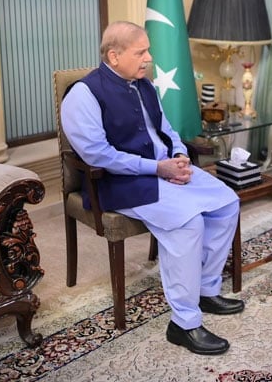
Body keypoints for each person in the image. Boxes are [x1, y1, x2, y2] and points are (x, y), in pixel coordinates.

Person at [61, 21, 243, 356]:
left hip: (163, 168)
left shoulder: (143, 84)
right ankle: (184, 324)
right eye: (140, 52)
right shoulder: (83, 95)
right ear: (114, 56)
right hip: (119, 182)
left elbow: (166, 128)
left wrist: (178, 155)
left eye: (148, 50)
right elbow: (97, 155)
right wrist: (157, 168)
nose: (149, 58)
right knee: (189, 222)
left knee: (227, 202)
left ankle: (204, 288)